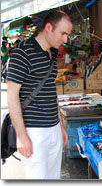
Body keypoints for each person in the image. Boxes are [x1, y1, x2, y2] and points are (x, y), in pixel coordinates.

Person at [6, 10, 73, 179]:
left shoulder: (53, 52)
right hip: (34, 133)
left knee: (53, 178)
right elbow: (12, 96)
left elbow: (51, 91)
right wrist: (21, 136)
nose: (65, 40)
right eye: (63, 33)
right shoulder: (22, 53)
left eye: (68, 35)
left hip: (54, 129)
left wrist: (61, 126)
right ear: (49, 27)